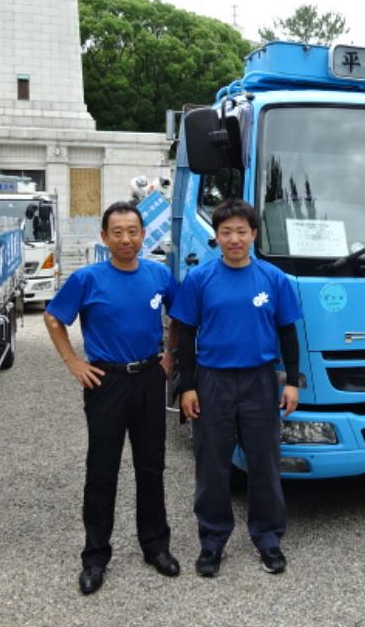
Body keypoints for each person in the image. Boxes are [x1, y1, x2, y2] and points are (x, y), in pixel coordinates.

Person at [44, 201, 180, 595]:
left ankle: (155, 546)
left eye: (132, 231)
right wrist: (73, 362)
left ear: (142, 235)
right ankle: (95, 556)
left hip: (149, 379)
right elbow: (54, 319)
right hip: (106, 383)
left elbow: (182, 315)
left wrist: (170, 354)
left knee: (151, 466)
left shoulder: (158, 274)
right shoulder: (88, 278)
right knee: (102, 471)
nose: (126, 239)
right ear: (104, 237)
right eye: (117, 232)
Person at [170, 197, 303, 577]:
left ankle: (268, 539)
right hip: (213, 382)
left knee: (264, 464)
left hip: (261, 381)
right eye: (226, 232)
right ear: (216, 236)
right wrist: (188, 387)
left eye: (241, 232)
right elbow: (186, 336)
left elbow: (288, 333)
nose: (234, 239)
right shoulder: (200, 279)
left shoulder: (274, 279)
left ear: (254, 234)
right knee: (212, 467)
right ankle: (212, 542)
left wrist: (291, 383)